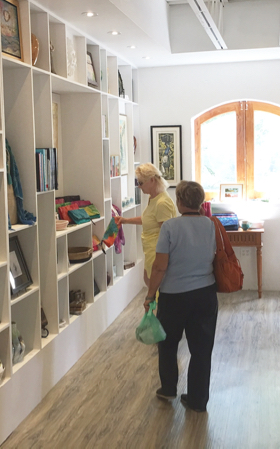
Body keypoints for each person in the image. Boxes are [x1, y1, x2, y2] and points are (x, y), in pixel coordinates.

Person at [144, 180, 218, 413]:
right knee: (201, 349)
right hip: (205, 294)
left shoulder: (170, 227)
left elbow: (159, 267)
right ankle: (198, 400)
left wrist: (149, 294)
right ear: (200, 202)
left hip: (174, 296)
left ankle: (168, 388)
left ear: (179, 202)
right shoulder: (209, 224)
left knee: (167, 344)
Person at [115, 163, 176, 286]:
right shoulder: (153, 198)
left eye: (141, 183)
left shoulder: (161, 203)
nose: (138, 186)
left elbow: (167, 236)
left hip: (158, 253)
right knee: (148, 281)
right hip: (151, 251)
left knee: (156, 286)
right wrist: (125, 220)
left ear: (152, 180)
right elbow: (148, 219)